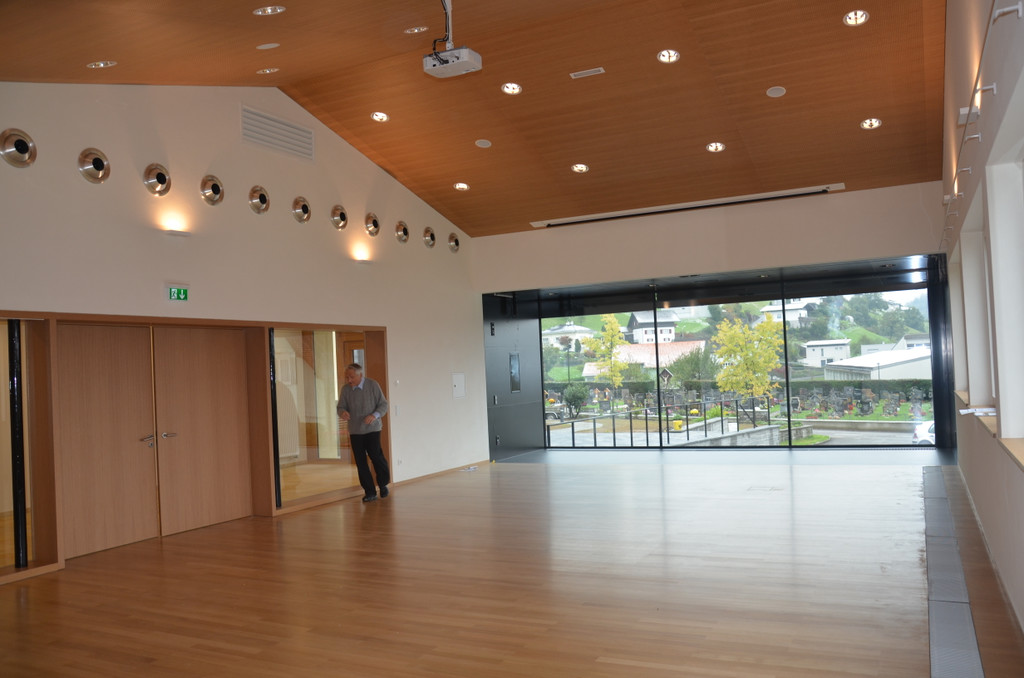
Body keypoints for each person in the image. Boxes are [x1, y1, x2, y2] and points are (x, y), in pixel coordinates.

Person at [337, 363, 390, 502]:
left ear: (360, 375)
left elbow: (383, 404)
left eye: (352, 377)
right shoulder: (346, 389)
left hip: (372, 429)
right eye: (347, 377)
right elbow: (340, 407)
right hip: (355, 431)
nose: (349, 380)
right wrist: (342, 413)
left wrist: (374, 415)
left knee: (376, 457)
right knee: (361, 462)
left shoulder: (373, 385)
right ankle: (370, 492)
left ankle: (383, 484)